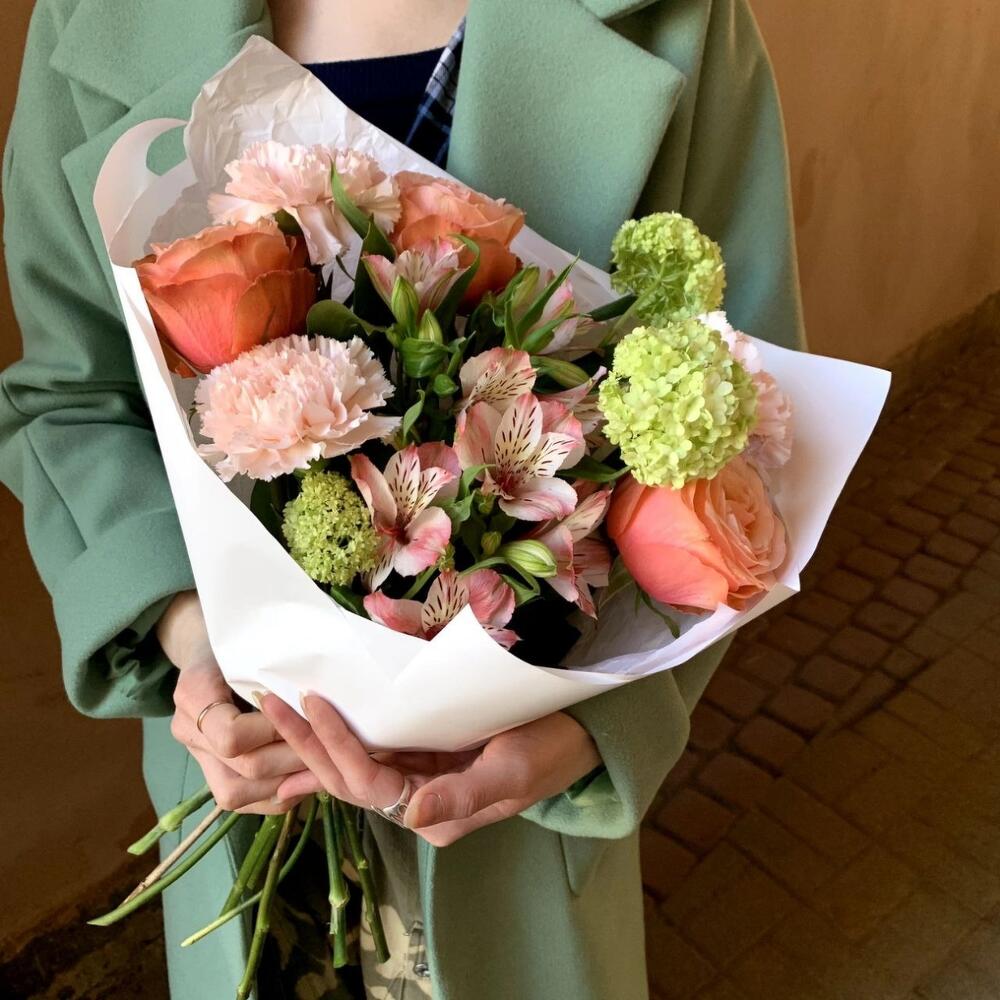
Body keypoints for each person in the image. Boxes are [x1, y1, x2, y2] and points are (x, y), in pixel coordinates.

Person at [0, 0, 804, 997]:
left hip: (520, 820)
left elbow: (743, 416)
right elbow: (72, 396)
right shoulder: (94, 17)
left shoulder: (683, 19)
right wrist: (197, 636)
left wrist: (591, 731)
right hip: (247, 777)